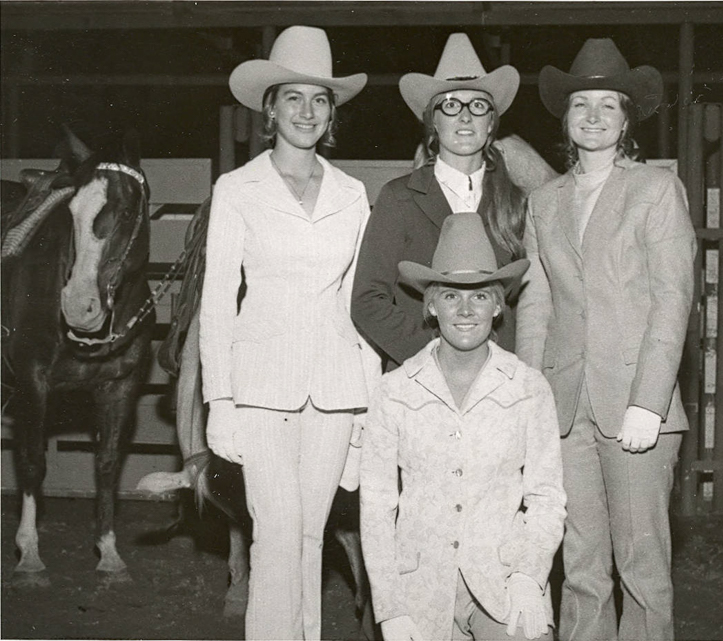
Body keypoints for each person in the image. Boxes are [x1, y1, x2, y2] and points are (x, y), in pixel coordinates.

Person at [199, 25, 379, 640]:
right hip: (260, 390)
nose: (307, 111)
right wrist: (219, 403)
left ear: (331, 114)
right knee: (275, 532)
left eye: (319, 99)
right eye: (293, 98)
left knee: (309, 534)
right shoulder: (237, 189)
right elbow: (217, 302)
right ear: (269, 109)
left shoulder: (352, 194)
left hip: (335, 390)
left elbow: (357, 305)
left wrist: (366, 406)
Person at [516, 38, 696, 641]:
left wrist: (650, 401)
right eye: (580, 104)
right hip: (566, 405)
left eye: (608, 105)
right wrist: (531, 397)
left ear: (626, 121)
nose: (593, 116)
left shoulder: (656, 190)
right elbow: (536, 305)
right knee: (581, 567)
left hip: (636, 406)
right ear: (565, 119)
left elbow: (673, 298)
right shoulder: (544, 201)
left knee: (642, 566)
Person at [360, 213, 566, 641]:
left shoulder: (528, 387)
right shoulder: (395, 390)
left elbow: (546, 498)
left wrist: (528, 576)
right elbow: (377, 508)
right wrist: (390, 608)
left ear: (498, 306)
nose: (466, 311)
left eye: (480, 296)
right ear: (431, 306)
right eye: (451, 297)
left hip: (501, 580)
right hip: (420, 587)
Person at [352, 32, 528, 371]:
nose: (465, 117)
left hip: (497, 377)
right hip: (418, 374)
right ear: (433, 121)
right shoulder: (399, 197)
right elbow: (367, 300)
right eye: (450, 105)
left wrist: (499, 365)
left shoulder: (516, 202)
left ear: (491, 122)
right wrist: (435, 356)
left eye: (478, 105)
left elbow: (524, 305)